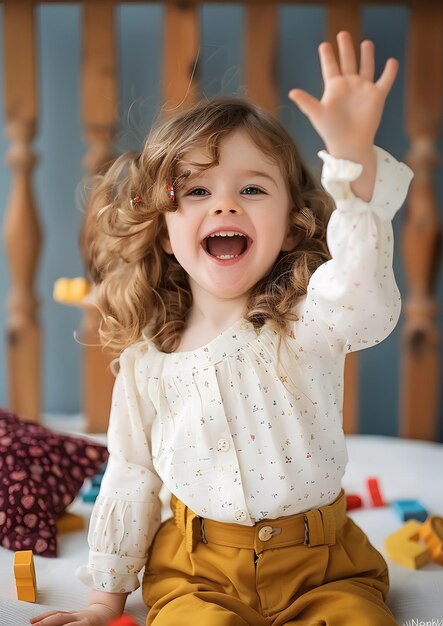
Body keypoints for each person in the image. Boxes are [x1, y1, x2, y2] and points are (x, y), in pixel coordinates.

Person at [31, 31, 413, 626]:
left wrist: (354, 164)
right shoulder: (147, 361)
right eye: (198, 190)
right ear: (164, 230)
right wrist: (105, 600)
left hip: (322, 565)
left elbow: (363, 291)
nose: (225, 205)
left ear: (291, 224)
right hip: (197, 571)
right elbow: (131, 473)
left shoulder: (306, 320)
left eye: (252, 189)